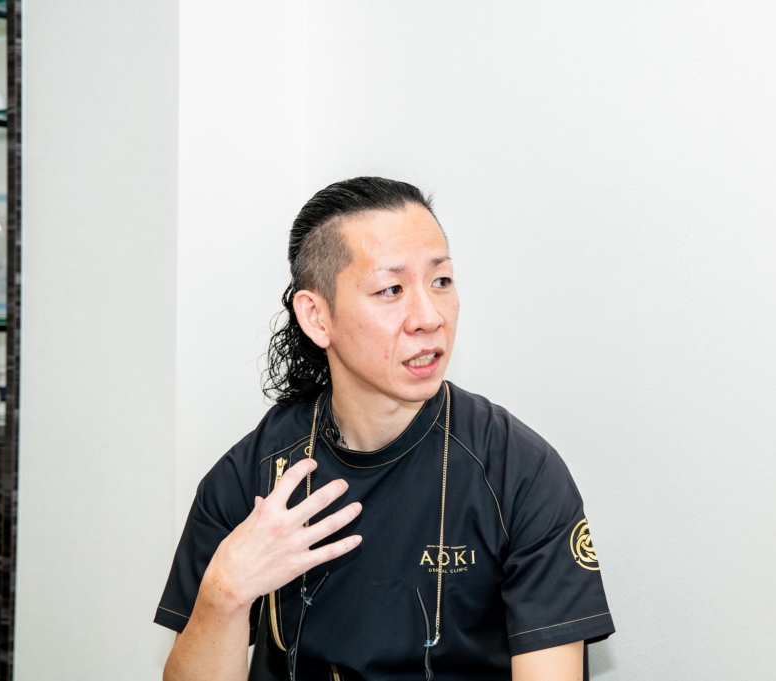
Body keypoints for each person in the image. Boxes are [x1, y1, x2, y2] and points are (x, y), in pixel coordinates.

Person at [156, 177, 614, 680]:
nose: (429, 317)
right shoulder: (255, 474)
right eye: (391, 289)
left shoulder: (519, 473)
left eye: (441, 281)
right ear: (317, 317)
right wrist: (224, 592)